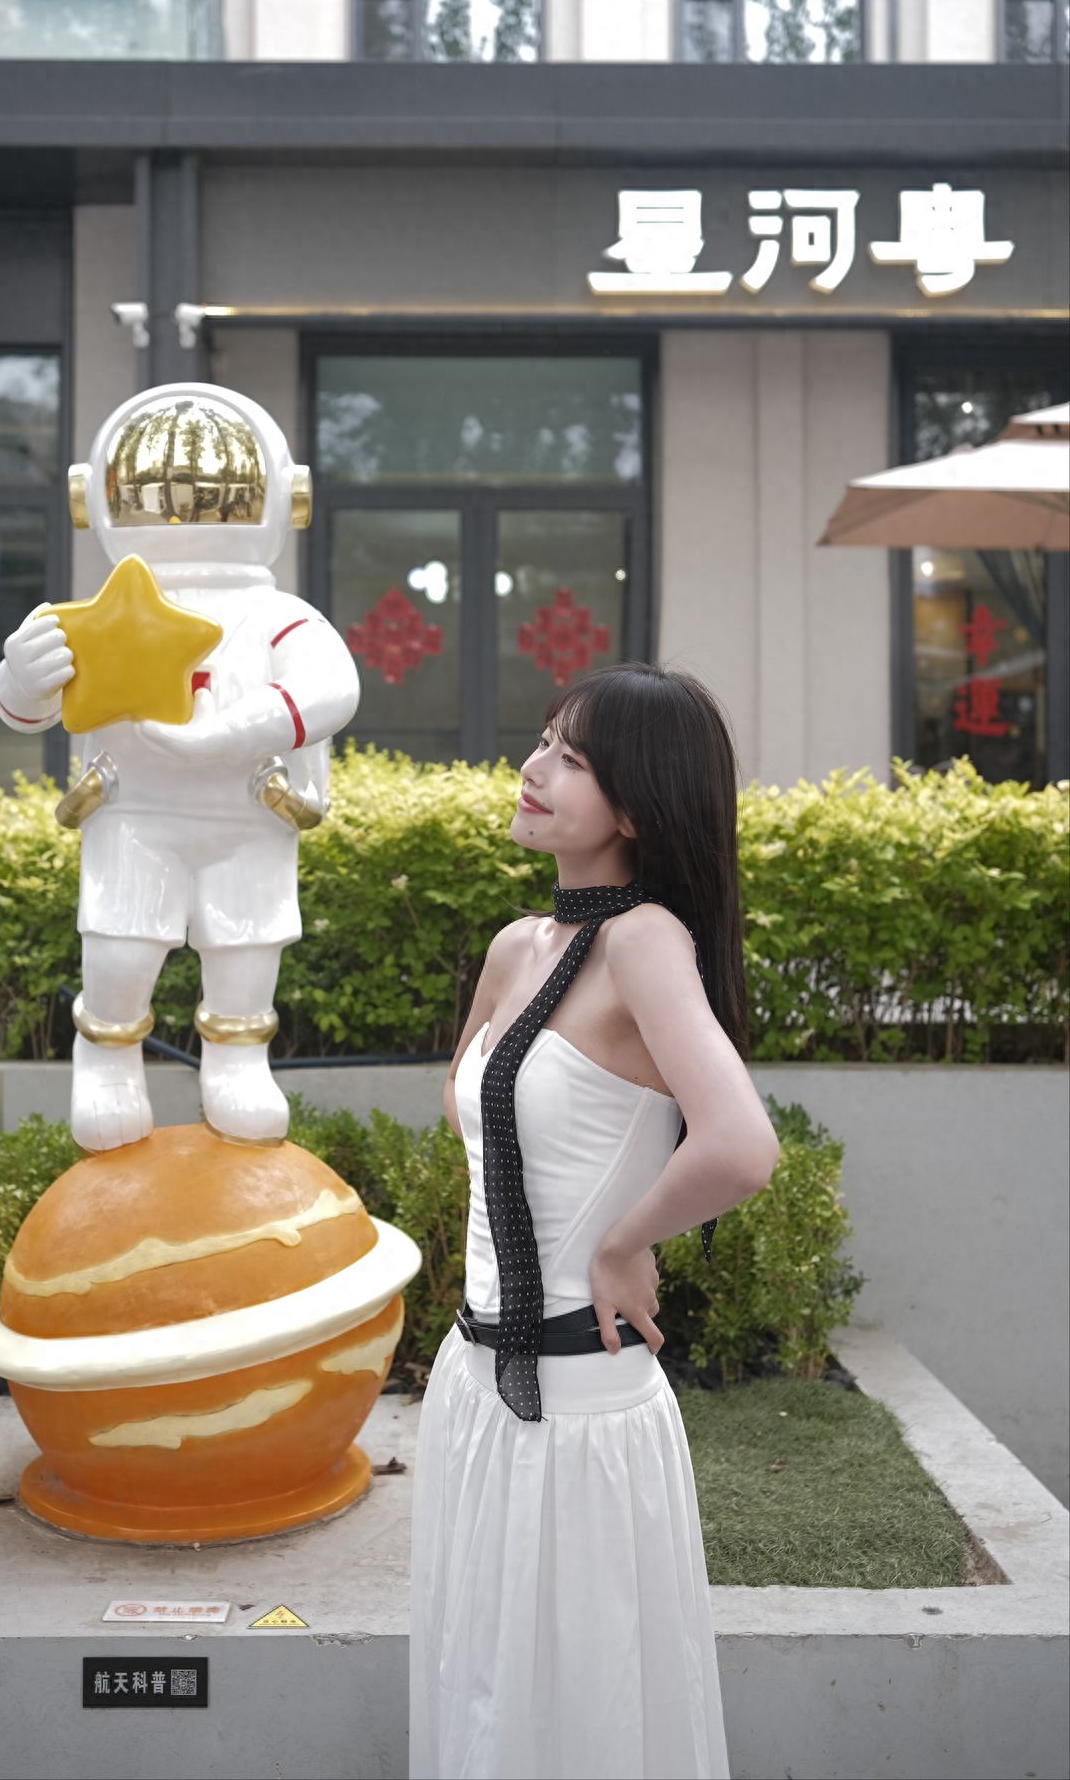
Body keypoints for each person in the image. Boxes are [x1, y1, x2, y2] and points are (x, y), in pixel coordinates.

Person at [408, 661, 781, 1780]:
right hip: (471, 1389)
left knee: (582, 1719)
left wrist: (626, 1240)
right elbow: (477, 1106)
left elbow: (739, 1147)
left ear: (634, 804)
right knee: (481, 1693)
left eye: (570, 758)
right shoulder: (517, 945)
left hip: (581, 1406)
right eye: (540, 742)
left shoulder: (644, 942)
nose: (532, 770)